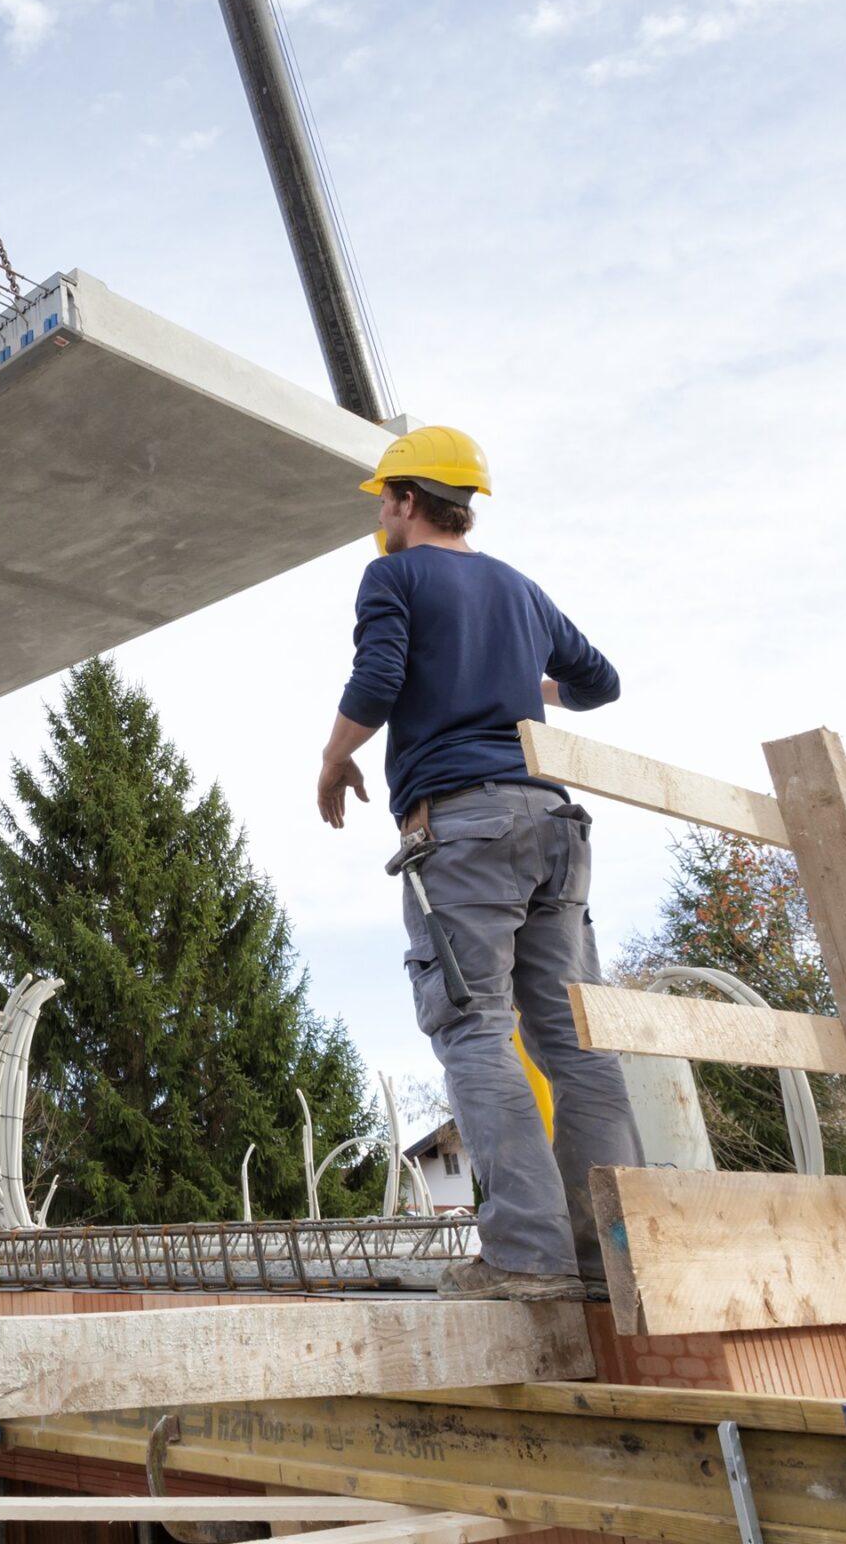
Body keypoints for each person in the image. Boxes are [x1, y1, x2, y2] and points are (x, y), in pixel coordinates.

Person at [315, 425, 642, 1304]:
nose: (382, 515)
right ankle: (619, 1255)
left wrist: (334, 755)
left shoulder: (394, 574)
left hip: (464, 830)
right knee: (575, 1045)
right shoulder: (520, 590)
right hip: (554, 824)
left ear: (409, 501)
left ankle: (529, 1257)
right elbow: (600, 682)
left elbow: (378, 680)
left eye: (386, 499)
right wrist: (522, 684)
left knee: (474, 1030)